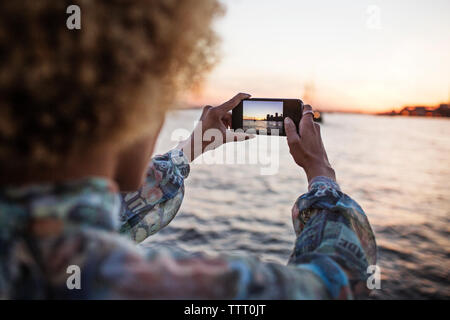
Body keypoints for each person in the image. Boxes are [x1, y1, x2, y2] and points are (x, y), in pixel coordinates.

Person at [0, 0, 376, 299]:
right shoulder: (141, 285)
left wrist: (194, 145)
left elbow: (112, 214)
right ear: (131, 103)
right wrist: (322, 176)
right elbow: (340, 284)